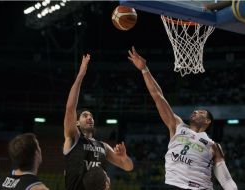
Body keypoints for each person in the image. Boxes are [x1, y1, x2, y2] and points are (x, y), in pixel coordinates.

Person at [128, 46, 237, 190]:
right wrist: (144, 69)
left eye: (201, 112)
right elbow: (157, 96)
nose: (196, 112)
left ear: (207, 121)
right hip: (172, 185)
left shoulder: (213, 146)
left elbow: (227, 180)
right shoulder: (177, 125)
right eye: (195, 111)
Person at [63, 54, 133, 190]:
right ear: (77, 123)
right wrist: (81, 75)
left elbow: (128, 167)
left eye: (91, 116)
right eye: (84, 116)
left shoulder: (103, 146)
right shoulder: (73, 138)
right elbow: (70, 108)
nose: (89, 118)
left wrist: (124, 158)